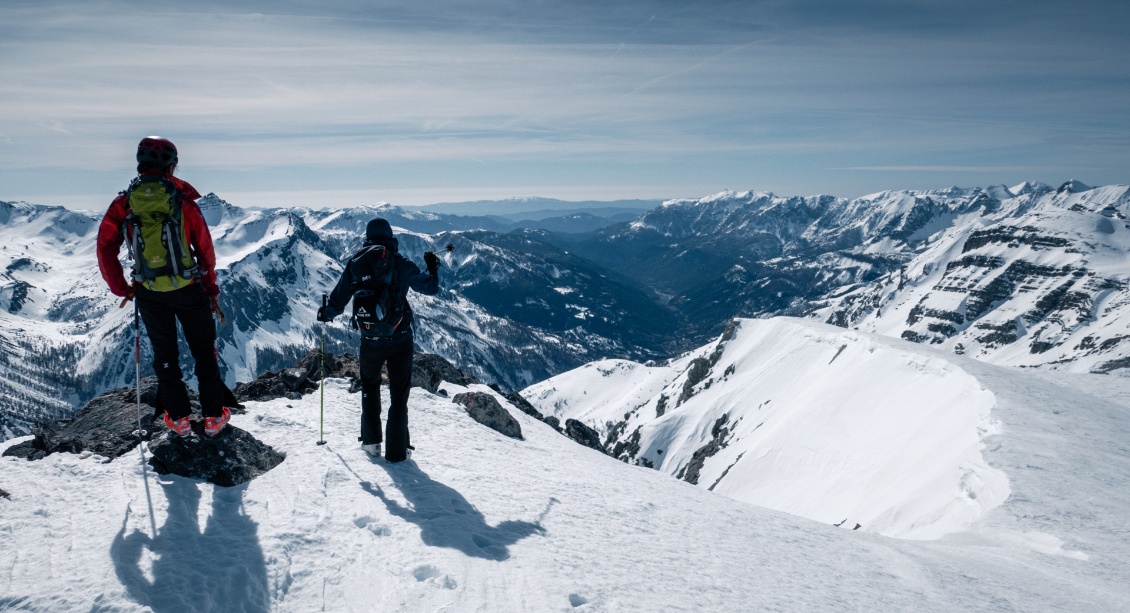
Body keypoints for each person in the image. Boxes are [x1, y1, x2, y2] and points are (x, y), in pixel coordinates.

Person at [96, 136, 231, 437]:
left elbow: (105, 247)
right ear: (172, 167)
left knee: (165, 356)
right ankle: (213, 418)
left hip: (149, 291)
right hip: (188, 290)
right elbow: (205, 252)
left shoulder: (124, 204)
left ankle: (179, 419)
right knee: (203, 353)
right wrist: (210, 288)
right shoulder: (183, 205)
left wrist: (122, 287)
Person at [317, 218, 440, 462]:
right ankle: (397, 452)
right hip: (400, 339)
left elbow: (339, 299)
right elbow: (430, 288)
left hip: (369, 341)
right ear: (390, 237)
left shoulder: (356, 264)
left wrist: (326, 314)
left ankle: (372, 444)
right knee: (399, 395)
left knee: (370, 388)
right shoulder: (399, 262)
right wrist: (432, 268)